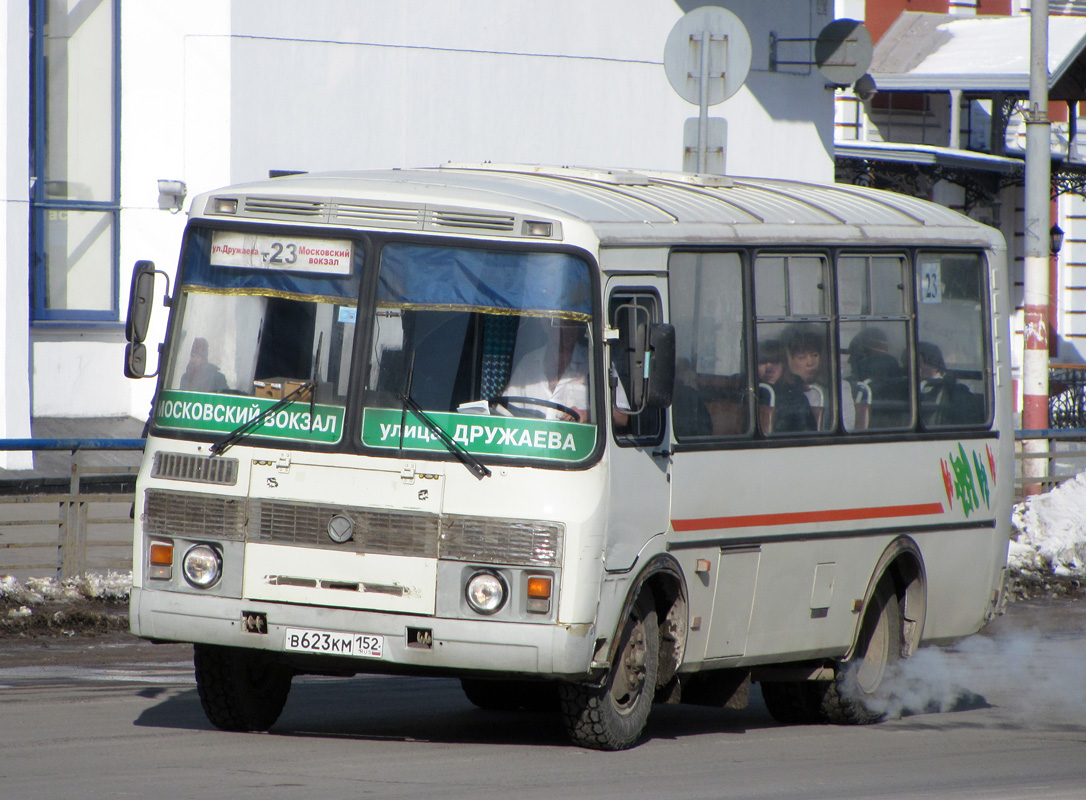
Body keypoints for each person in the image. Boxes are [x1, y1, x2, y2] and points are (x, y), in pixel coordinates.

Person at [498, 317, 589, 422]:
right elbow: (505, 413)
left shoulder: (592, 362)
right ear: (545, 324)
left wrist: (586, 414)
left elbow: (612, 413)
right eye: (561, 323)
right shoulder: (528, 364)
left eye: (573, 323)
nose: (568, 329)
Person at [769, 325, 823, 433]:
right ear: (787, 359)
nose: (810, 363)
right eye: (802, 357)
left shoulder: (833, 389)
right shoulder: (774, 391)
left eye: (815, 355)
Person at [917, 341, 982, 426]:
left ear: (932, 365)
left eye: (919, 364)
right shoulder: (904, 391)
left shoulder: (955, 393)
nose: (910, 369)